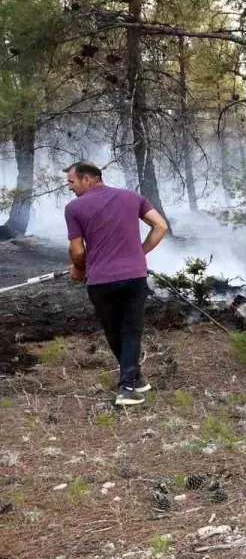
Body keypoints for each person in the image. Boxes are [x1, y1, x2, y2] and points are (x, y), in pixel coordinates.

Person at [64, 162, 169, 406]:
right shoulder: (132, 197)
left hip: (100, 281)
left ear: (88, 180)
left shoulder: (74, 208)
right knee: (130, 330)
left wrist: (79, 268)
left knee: (114, 332)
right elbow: (160, 226)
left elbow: (77, 250)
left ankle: (127, 388)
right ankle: (135, 379)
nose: (69, 187)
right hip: (134, 277)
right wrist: (139, 254)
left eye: (71, 182)